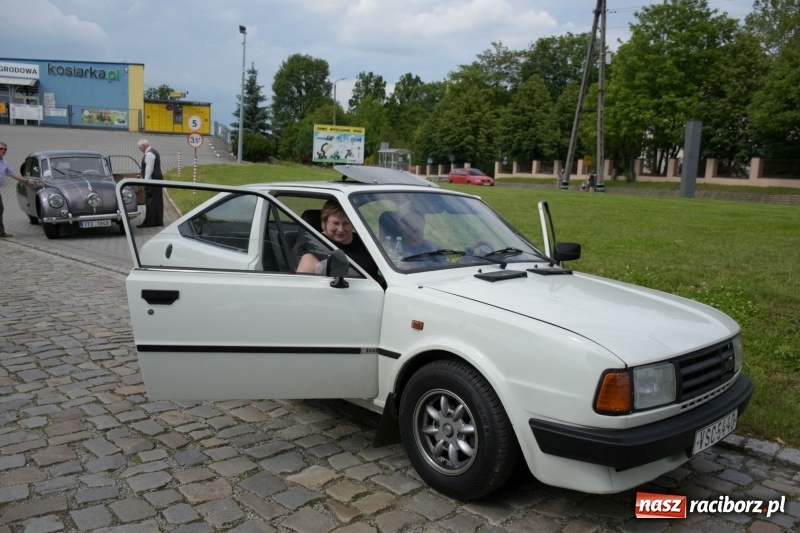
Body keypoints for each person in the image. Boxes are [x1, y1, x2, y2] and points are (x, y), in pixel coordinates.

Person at [296, 200, 380, 281]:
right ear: (325, 222)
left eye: (346, 223)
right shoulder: (314, 248)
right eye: (335, 223)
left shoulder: (365, 241)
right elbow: (303, 284)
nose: (340, 229)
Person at [393, 203, 446, 269]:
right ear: (400, 226)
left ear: (424, 222)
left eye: (417, 220)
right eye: (408, 222)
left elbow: (444, 269)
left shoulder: (433, 248)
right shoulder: (394, 251)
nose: (414, 226)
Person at [0, 141, 36, 238]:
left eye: (5, 149)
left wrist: (27, 181)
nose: (3, 151)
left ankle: (1, 232)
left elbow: (14, 174)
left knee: (0, 209)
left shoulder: (4, 162)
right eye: (1, 149)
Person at [136, 139, 164, 228]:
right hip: (157, 179)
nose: (140, 150)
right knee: (157, 201)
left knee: (150, 201)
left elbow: (149, 169)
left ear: (143, 145)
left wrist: (145, 182)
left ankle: (149, 222)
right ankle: (158, 221)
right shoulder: (153, 152)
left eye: (140, 147)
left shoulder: (149, 154)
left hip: (152, 180)